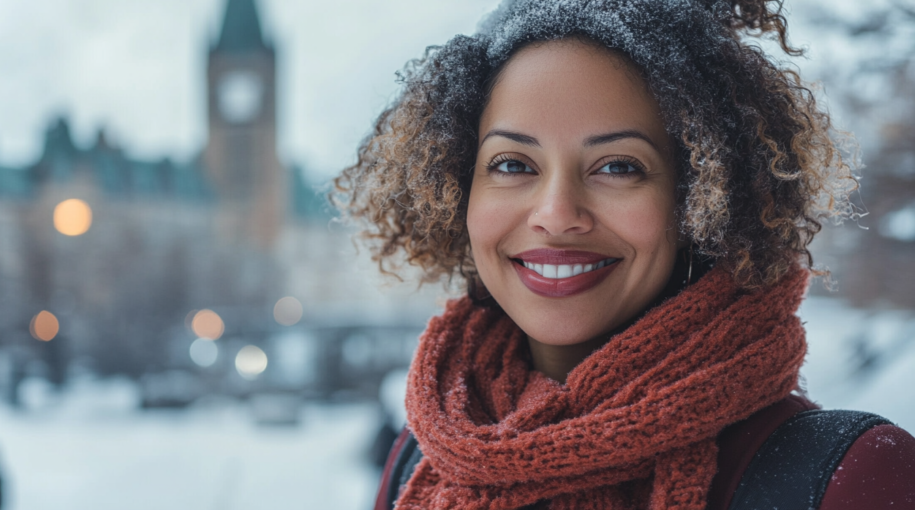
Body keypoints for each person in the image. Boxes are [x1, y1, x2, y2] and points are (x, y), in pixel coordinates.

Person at [333, 0, 915, 509]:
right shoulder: (425, 456)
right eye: (512, 164)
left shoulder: (847, 477)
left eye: (618, 166)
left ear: (702, 198)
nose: (556, 213)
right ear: (457, 189)